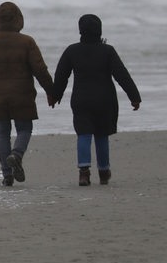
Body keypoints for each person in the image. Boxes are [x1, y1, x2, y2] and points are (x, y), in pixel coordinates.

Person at [0, 1, 55, 186]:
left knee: (2, 133)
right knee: (24, 129)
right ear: (19, 20)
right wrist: (51, 91)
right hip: (22, 95)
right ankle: (16, 154)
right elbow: (40, 69)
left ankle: (7, 175)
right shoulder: (27, 42)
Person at [51, 14, 141, 186]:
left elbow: (61, 75)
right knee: (101, 135)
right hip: (104, 100)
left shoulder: (72, 50)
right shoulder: (108, 51)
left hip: (81, 100)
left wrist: (55, 95)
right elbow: (122, 75)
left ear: (80, 30)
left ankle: (84, 173)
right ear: (100, 30)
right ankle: (104, 171)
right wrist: (134, 97)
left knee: (83, 134)